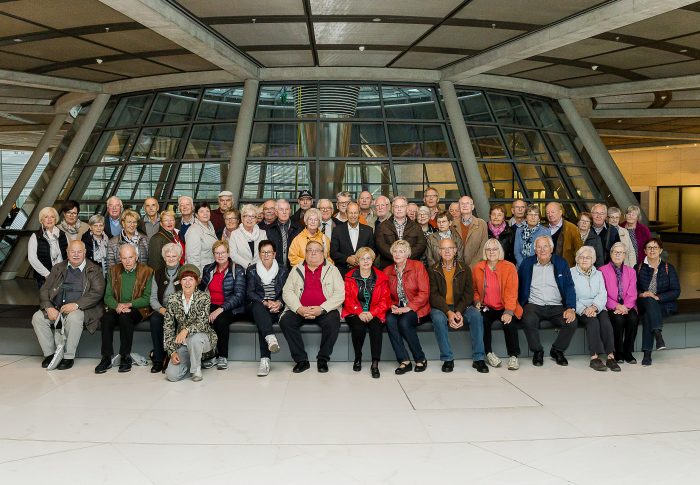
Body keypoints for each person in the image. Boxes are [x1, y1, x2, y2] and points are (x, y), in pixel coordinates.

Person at [31, 240, 104, 370]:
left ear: (85, 252)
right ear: (67, 252)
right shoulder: (58, 267)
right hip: (57, 308)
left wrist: (76, 305)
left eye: (79, 252)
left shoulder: (94, 269)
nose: (76, 254)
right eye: (72, 251)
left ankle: (68, 356)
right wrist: (49, 307)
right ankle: (50, 355)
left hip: (83, 309)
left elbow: (97, 292)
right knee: (38, 317)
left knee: (74, 318)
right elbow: (44, 290)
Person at [279, 240, 344, 373]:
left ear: (323, 253)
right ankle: (301, 360)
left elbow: (340, 294)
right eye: (310, 250)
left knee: (333, 321)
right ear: (305, 253)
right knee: (286, 321)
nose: (313, 253)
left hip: (324, 310)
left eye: (317, 250)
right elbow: (287, 292)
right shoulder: (296, 269)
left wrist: (322, 308)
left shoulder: (332, 270)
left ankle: (323, 359)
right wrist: (299, 308)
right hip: (300, 309)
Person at [428, 238, 487, 373]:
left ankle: (479, 359)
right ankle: (447, 359)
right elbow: (434, 295)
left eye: (450, 248)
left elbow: (468, 294)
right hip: (441, 307)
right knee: (438, 319)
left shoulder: (464, 268)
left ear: (455, 250)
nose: (447, 251)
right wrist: (448, 312)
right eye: (444, 249)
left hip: (461, 306)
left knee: (476, 316)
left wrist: (459, 311)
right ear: (439, 251)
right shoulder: (433, 269)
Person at [518, 236, 577, 367]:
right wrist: (517, 305)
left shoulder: (561, 263)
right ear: (535, 250)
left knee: (571, 322)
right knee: (528, 320)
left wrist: (571, 308)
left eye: (545, 246)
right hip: (534, 305)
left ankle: (557, 350)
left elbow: (569, 286)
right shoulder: (527, 264)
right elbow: (518, 284)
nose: (542, 249)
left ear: (551, 248)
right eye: (539, 247)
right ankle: (537, 351)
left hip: (556, 305)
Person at [95, 244, 154, 374]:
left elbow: (147, 298)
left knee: (125, 317)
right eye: (124, 258)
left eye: (130, 257)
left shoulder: (147, 271)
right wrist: (117, 306)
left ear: (136, 257)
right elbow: (108, 296)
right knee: (106, 318)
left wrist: (129, 305)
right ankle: (106, 357)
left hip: (138, 308)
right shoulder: (113, 270)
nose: (127, 261)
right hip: (118, 307)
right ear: (119, 258)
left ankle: (125, 356)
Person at [472, 238, 523, 371]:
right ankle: (488, 353)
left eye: (495, 249)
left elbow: (512, 292)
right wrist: (477, 301)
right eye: (488, 249)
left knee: (509, 323)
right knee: (482, 321)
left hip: (505, 306)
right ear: (485, 252)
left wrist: (509, 311)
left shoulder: (509, 267)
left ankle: (513, 356)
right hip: (487, 306)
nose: (491, 252)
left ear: (499, 251)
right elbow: (474, 290)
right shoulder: (478, 267)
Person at [342, 247, 391, 378]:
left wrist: (372, 313)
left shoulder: (381, 277)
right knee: (358, 328)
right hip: (354, 311)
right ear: (357, 261)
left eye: (368, 258)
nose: (365, 261)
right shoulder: (349, 276)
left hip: (374, 312)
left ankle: (375, 363)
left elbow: (385, 300)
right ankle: (358, 357)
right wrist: (359, 312)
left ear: (373, 260)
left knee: (376, 328)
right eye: (362, 258)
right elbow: (347, 298)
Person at [164, 264, 218, 382]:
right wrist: (172, 352)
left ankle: (196, 369)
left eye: (191, 279)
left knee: (194, 339)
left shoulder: (204, 297)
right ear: (180, 281)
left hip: (202, 339)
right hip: (183, 344)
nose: (187, 283)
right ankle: (192, 362)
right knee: (172, 376)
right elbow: (168, 327)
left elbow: (203, 322)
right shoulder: (172, 299)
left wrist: (186, 330)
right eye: (184, 279)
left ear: (197, 282)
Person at [384, 240, 430, 374]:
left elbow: (424, 293)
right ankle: (404, 360)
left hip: (417, 307)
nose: (398, 254)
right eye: (395, 251)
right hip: (397, 308)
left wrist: (408, 307)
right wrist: (392, 306)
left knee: (404, 322)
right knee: (390, 320)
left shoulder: (418, 266)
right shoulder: (387, 271)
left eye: (401, 251)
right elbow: (385, 295)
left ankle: (420, 358)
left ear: (407, 254)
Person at [199, 240, 247, 369]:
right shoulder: (208, 268)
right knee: (202, 319)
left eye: (223, 253)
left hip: (232, 307)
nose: (220, 256)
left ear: (228, 253)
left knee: (220, 321)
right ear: (213, 255)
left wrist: (220, 309)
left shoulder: (237, 269)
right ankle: (209, 355)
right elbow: (201, 289)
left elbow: (239, 296)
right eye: (217, 253)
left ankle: (222, 356)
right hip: (211, 304)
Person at [571, 246, 620, 372]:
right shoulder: (571, 273)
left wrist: (594, 307)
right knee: (592, 322)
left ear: (593, 260)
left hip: (597, 306)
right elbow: (570, 296)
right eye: (581, 257)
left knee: (606, 323)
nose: (584, 260)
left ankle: (610, 357)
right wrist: (584, 309)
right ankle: (594, 358)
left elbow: (602, 293)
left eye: (588, 257)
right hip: (581, 308)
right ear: (577, 259)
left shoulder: (598, 274)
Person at [246, 240, 288, 377]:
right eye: (263, 252)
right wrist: (264, 302)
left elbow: (286, 292)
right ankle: (270, 338)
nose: (266, 255)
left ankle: (265, 360)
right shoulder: (252, 270)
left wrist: (279, 303)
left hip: (275, 307)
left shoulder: (282, 270)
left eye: (269, 252)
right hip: (257, 305)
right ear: (259, 254)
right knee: (259, 310)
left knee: (263, 323)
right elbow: (250, 292)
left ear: (274, 254)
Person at [636, 238, 680, 366]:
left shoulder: (668, 268)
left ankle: (647, 355)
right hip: (644, 302)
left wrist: (659, 297)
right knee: (649, 300)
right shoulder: (638, 267)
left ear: (660, 250)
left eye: (655, 247)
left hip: (663, 304)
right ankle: (658, 335)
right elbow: (632, 289)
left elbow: (676, 291)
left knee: (648, 316)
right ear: (644, 251)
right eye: (649, 247)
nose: (652, 250)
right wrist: (642, 294)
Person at [600, 242, 638, 364]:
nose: (618, 254)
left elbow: (632, 293)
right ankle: (618, 352)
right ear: (611, 253)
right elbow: (602, 293)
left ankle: (628, 351)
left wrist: (625, 307)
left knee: (633, 319)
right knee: (618, 320)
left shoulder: (631, 271)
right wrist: (616, 306)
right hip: (611, 306)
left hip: (628, 305)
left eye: (621, 252)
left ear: (625, 255)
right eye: (615, 252)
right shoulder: (602, 270)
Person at [149, 242, 183, 373]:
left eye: (174, 256)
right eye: (168, 256)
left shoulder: (185, 272)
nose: (171, 259)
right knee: (155, 320)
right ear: (164, 257)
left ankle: (172, 355)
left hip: (181, 309)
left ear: (179, 257)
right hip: (162, 309)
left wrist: (176, 310)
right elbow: (152, 299)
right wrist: (163, 310)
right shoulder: (157, 273)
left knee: (177, 320)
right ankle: (158, 359)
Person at [375, 196, 426, 269]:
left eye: (402, 206)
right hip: (388, 267)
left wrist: (405, 257)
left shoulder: (416, 227)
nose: (399, 209)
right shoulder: (382, 226)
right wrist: (396, 256)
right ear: (392, 209)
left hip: (411, 268)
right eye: (396, 206)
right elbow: (381, 245)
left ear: (407, 208)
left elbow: (421, 245)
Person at [330, 202, 374, 276]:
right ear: (346, 214)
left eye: (355, 213)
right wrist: (347, 259)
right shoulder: (337, 230)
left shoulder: (368, 230)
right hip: (342, 273)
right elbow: (333, 252)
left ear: (359, 214)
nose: (353, 216)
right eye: (350, 213)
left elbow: (372, 251)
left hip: (364, 272)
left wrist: (359, 260)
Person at [28, 206, 68, 286]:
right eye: (46, 217)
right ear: (42, 220)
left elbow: (70, 253)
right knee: (47, 298)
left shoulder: (63, 235)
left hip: (63, 275)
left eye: (52, 217)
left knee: (63, 298)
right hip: (44, 278)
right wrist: (47, 274)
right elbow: (32, 258)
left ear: (55, 219)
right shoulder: (35, 236)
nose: (49, 219)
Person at [453, 195, 487, 268]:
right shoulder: (453, 225)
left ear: (472, 207)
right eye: (462, 203)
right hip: (457, 268)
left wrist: (472, 267)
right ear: (459, 207)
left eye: (467, 203)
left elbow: (483, 248)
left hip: (476, 267)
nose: (465, 205)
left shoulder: (481, 224)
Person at [266, 199, 301, 267]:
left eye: (287, 209)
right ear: (276, 212)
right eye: (281, 209)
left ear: (290, 211)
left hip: (294, 268)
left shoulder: (299, 228)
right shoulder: (269, 230)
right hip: (275, 269)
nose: (284, 212)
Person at [545, 201, 581, 266]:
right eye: (547, 213)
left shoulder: (572, 229)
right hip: (546, 268)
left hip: (565, 268)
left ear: (560, 212)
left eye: (553, 212)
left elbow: (579, 251)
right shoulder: (543, 229)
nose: (550, 215)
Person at [147, 210, 183, 274]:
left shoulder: (177, 234)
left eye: (171, 220)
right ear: (161, 223)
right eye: (166, 220)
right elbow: (154, 262)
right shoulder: (156, 238)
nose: (169, 222)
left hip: (177, 272)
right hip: (164, 275)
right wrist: (159, 278)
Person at [185, 202, 217, 272]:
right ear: (196, 215)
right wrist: (196, 274)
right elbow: (192, 257)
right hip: (201, 272)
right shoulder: (194, 230)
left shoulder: (210, 227)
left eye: (207, 211)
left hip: (210, 270)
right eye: (201, 211)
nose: (205, 214)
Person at [514, 204, 550, 268]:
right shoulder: (519, 231)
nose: (533, 217)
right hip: (521, 266)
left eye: (536, 215)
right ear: (525, 218)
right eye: (530, 214)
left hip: (539, 267)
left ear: (539, 218)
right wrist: (524, 265)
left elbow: (547, 252)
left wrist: (535, 266)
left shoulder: (545, 231)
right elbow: (517, 252)